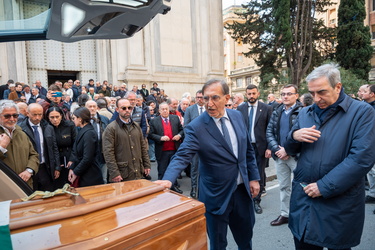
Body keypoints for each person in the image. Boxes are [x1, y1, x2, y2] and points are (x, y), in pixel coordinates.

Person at [155, 79, 260, 249]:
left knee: (245, 239)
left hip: (242, 193)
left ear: (227, 98)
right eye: (206, 98)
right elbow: (182, 155)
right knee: (218, 244)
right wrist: (168, 179)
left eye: (215, 98)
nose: (209, 104)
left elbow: (247, 150)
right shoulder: (196, 127)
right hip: (216, 196)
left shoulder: (237, 116)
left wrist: (254, 178)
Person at [284, 64, 375, 249]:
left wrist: (323, 186)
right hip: (305, 200)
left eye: (322, 92)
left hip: (339, 202)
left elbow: (361, 158)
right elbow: (289, 148)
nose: (316, 99)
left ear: (338, 87)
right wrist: (294, 136)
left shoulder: (362, 112)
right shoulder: (305, 112)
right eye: (312, 93)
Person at [266, 84, 303, 226]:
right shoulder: (277, 110)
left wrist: (287, 150)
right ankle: (285, 214)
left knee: (301, 186)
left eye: (289, 94)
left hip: (296, 156)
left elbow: (303, 135)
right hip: (279, 157)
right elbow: (269, 132)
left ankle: (301, 213)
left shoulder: (303, 112)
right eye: (283, 94)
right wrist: (276, 149)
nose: (285, 96)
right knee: (284, 186)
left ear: (296, 95)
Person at [238, 84, 272, 214]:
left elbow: (270, 129)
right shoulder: (240, 109)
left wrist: (269, 147)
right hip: (245, 147)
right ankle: (247, 198)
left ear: (258, 94)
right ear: (246, 95)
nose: (251, 96)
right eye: (249, 94)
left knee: (258, 173)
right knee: (244, 172)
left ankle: (256, 201)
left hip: (260, 148)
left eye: (253, 93)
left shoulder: (266, 108)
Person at [102, 98, 151, 182]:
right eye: (124, 108)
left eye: (129, 108)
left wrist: (147, 165)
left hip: (137, 171)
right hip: (121, 174)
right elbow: (108, 153)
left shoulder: (136, 126)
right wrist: (114, 173)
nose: (127, 110)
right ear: (117, 110)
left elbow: (143, 147)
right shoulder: (111, 128)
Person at [20, 103, 60, 191]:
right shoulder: (20, 129)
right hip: (28, 168)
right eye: (34, 115)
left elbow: (54, 147)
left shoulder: (48, 127)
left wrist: (57, 166)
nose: (37, 117)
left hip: (45, 167)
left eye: (40, 114)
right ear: (27, 113)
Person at [0, 100, 39, 188]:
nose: (12, 119)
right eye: (7, 116)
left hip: (25, 185)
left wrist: (29, 171)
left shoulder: (21, 133)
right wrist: (1, 147)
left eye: (15, 115)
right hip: (4, 189)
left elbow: (34, 155)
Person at [149, 102, 184, 193]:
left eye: (166, 109)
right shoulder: (154, 121)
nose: (165, 111)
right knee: (162, 169)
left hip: (174, 148)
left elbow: (182, 130)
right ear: (159, 111)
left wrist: (179, 136)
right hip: (162, 150)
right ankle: (161, 189)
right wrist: (160, 138)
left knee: (173, 169)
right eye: (163, 109)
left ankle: (174, 186)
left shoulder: (175, 118)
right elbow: (151, 135)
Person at [68, 107, 104, 187]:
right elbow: (76, 153)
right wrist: (72, 168)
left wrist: (75, 172)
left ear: (80, 119)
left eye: (74, 118)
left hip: (91, 176)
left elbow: (87, 158)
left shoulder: (89, 133)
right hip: (84, 173)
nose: (73, 120)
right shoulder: (83, 131)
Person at [46, 106, 76, 189]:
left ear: (61, 116)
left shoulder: (69, 125)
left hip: (69, 156)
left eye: (57, 117)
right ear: (48, 117)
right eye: (52, 117)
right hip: (55, 159)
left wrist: (72, 159)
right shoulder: (47, 128)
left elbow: (75, 143)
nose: (55, 120)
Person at [184, 89, 205, 199]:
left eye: (201, 97)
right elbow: (186, 127)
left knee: (206, 166)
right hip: (195, 144)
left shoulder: (209, 109)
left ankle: (203, 188)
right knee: (194, 168)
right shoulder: (190, 110)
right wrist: (190, 142)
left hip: (207, 145)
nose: (199, 100)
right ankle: (194, 188)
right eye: (197, 97)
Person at [361, 84, 375, 205]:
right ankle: (372, 193)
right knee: (371, 171)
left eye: (365, 91)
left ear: (372, 94)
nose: (361, 93)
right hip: (369, 143)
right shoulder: (363, 107)